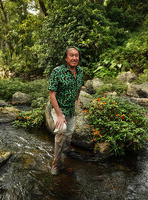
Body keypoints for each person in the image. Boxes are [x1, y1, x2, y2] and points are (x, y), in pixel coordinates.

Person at [48, 46, 84, 175]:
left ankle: (65, 152)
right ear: (66, 58)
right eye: (71, 55)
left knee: (69, 135)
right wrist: (59, 114)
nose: (74, 58)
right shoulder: (57, 71)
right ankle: (56, 163)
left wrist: (76, 100)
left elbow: (79, 86)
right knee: (62, 131)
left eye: (76, 55)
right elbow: (52, 94)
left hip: (71, 109)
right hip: (59, 108)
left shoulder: (80, 71)